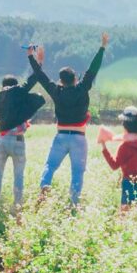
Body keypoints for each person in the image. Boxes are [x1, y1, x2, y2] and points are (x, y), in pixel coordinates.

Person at [28, 33, 109, 207]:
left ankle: (44, 189)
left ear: (61, 81)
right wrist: (102, 47)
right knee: (77, 173)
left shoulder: (56, 91)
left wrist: (31, 57)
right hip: (79, 138)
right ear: (75, 79)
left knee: (50, 166)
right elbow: (93, 70)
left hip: (61, 136)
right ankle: (73, 204)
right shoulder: (82, 88)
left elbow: (40, 75)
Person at [0, 65, 45, 209]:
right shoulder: (19, 94)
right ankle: (17, 205)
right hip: (18, 140)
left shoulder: (0, 97)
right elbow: (33, 81)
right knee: (19, 175)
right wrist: (38, 64)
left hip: (2, 139)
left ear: (3, 86)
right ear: (15, 85)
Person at [100, 106, 137, 209]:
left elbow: (114, 165)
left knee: (125, 214)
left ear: (125, 126)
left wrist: (104, 146)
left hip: (129, 183)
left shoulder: (125, 147)